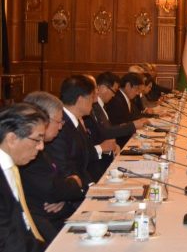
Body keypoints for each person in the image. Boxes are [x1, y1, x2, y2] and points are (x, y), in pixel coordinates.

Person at [20, 92, 85, 242]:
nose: (61, 127)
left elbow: (59, 184)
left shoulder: (42, 147)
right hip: (44, 223)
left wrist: (64, 196)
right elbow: (53, 190)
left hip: (54, 216)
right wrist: (74, 183)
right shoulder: (29, 152)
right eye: (59, 122)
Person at [45, 75, 116, 188]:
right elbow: (64, 168)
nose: (94, 101)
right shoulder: (60, 125)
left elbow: (84, 158)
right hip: (69, 191)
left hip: (84, 182)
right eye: (92, 97)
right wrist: (91, 187)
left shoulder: (75, 120)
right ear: (80, 99)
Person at [0, 103, 48, 252]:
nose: (41, 147)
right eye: (37, 140)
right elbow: (7, 242)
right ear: (12, 139)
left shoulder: (11, 165)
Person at [105, 72, 145, 147]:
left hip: (127, 138)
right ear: (128, 85)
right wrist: (133, 126)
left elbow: (134, 116)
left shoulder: (126, 97)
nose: (138, 93)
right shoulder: (116, 100)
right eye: (137, 89)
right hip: (119, 143)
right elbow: (118, 126)